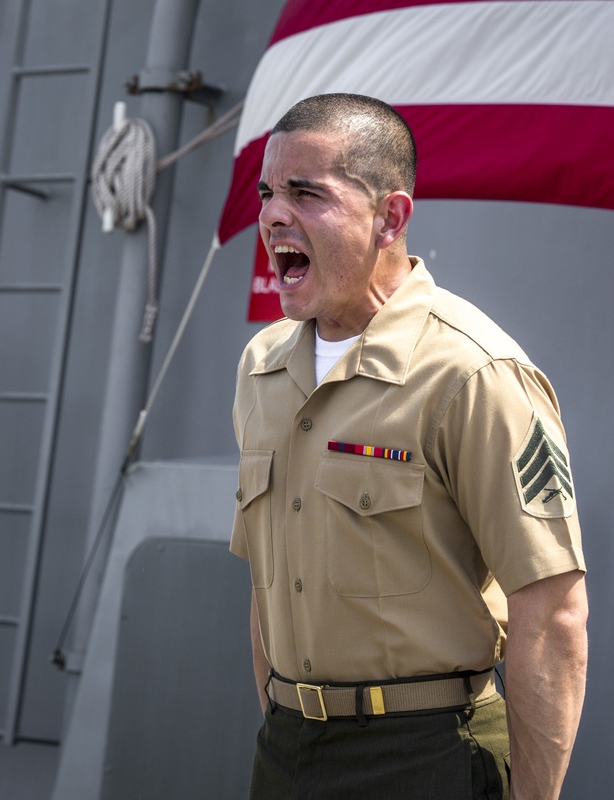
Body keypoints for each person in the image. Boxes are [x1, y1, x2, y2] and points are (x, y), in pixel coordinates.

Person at [230, 93, 588, 800]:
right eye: (269, 191)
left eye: (307, 193)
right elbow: (267, 579)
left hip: (426, 758)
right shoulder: (262, 367)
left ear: (389, 217)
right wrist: (286, 714)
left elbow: (553, 610)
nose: (273, 214)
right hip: (288, 748)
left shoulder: (474, 372)